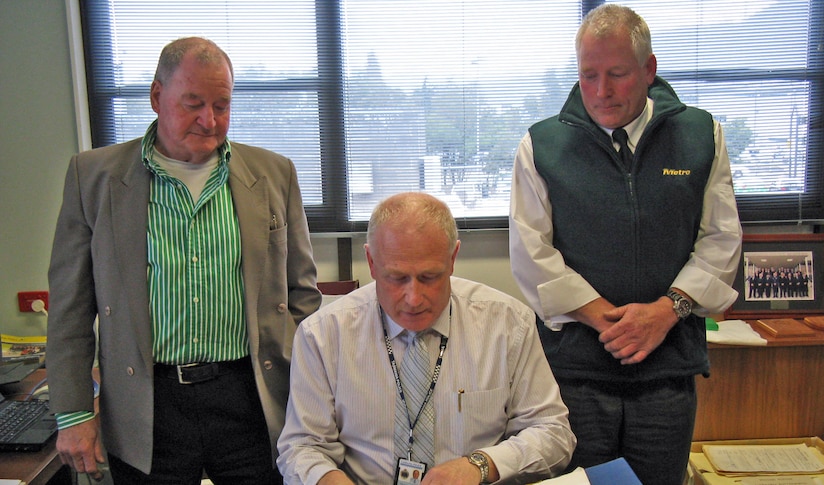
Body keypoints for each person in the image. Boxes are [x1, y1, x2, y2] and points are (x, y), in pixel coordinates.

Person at [46, 36, 321, 484]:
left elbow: (302, 297)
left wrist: (310, 392)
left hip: (252, 396)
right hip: (148, 403)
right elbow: (71, 308)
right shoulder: (93, 176)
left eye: (222, 105)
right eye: (192, 103)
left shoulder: (274, 173)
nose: (209, 120)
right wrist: (74, 412)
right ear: (157, 96)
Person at [508, 5, 743, 485]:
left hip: (667, 372)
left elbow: (722, 238)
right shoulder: (542, 145)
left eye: (616, 74)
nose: (601, 91)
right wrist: (606, 320)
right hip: (575, 373)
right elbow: (532, 254)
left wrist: (666, 311)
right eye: (588, 75)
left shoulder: (701, 135)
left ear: (649, 69)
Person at [277, 192, 575, 485]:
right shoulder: (323, 334)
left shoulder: (507, 324)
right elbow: (302, 447)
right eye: (397, 278)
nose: (413, 298)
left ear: (453, 258)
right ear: (371, 261)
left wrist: (480, 466)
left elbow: (553, 434)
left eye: (430, 277)